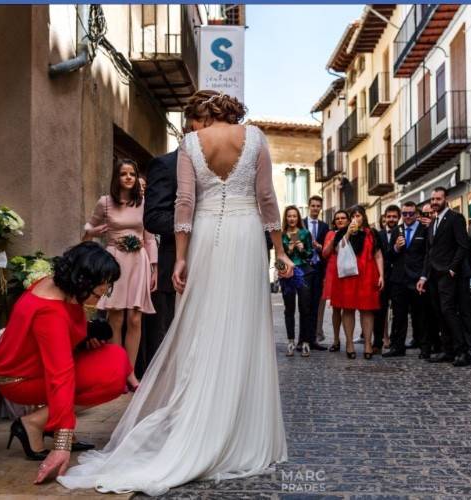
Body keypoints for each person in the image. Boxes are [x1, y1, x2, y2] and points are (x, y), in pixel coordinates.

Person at [58, 91, 293, 494]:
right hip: (245, 236)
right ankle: (241, 431)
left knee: (202, 326)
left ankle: (199, 418)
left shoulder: (190, 144)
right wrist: (281, 250)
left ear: (202, 114)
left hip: (202, 238)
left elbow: (184, 205)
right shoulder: (254, 138)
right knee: (245, 329)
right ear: (233, 110)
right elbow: (266, 198)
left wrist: (181, 260)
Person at [0, 242, 129, 480]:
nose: (105, 291)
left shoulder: (55, 285)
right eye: (102, 288)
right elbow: (60, 375)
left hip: (32, 368)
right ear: (83, 281)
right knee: (113, 376)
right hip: (21, 380)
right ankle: (34, 423)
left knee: (116, 358)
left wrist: (85, 339)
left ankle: (42, 422)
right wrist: (62, 443)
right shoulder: (50, 312)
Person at [83, 159, 157, 391]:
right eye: (123, 174)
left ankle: (131, 374)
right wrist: (95, 232)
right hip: (114, 263)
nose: (128, 177)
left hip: (138, 262)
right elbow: (86, 231)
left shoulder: (143, 202)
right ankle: (117, 373)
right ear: (116, 177)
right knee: (115, 318)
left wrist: (154, 267)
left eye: (132, 174)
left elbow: (149, 238)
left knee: (135, 318)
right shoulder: (105, 202)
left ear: (136, 178)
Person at [416, 187, 471, 367]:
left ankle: (462, 351)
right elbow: (429, 252)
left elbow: (463, 246)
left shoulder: (456, 218)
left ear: (445, 199)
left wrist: (452, 269)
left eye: (438, 199)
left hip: (448, 274)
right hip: (433, 275)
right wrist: (423, 277)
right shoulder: (433, 223)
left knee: (449, 311)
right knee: (440, 312)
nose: (434, 202)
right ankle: (447, 350)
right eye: (432, 199)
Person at [331, 206, 384, 360]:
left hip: (368, 275)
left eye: (358, 215)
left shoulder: (372, 233)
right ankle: (349, 343)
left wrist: (381, 275)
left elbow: (378, 255)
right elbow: (337, 250)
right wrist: (348, 232)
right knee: (348, 309)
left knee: (367, 310)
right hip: (348, 276)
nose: (356, 218)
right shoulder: (342, 232)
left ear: (363, 217)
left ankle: (368, 344)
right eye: (353, 215)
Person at [143, 145, 179, 369]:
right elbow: (154, 218)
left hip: (214, 266)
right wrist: (195, 223)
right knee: (173, 338)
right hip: (175, 263)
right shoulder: (166, 165)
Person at [384, 202, 429, 358]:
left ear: (416, 213)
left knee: (420, 315)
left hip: (417, 279)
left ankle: (424, 348)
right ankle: (397, 347)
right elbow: (389, 255)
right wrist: (396, 247)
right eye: (405, 214)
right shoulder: (397, 230)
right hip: (399, 280)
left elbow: (427, 256)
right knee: (399, 315)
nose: (408, 217)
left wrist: (424, 276)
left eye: (411, 213)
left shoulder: (424, 229)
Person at [281, 205, 315, 357]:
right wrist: (288, 250)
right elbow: (279, 256)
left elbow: (310, 255)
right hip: (287, 273)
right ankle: (290, 342)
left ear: (298, 218)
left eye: (294, 216)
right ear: (286, 218)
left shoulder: (305, 233)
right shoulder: (281, 235)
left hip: (304, 272)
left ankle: (306, 342)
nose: (292, 219)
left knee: (305, 308)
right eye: (289, 216)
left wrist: (302, 249)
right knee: (289, 309)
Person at [322, 210, 350, 352]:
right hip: (334, 272)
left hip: (349, 273)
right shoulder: (330, 234)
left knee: (349, 308)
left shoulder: (353, 232)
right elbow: (325, 254)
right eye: (337, 218)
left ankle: (349, 341)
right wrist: (335, 238)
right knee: (336, 309)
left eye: (343, 218)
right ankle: (336, 340)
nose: (340, 220)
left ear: (348, 220)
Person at [304, 195, 330, 349]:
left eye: (318, 206)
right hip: (304, 268)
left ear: (320, 208)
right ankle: (303, 338)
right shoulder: (301, 223)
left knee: (315, 305)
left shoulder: (325, 227)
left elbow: (327, 249)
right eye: (313, 205)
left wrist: (320, 248)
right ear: (309, 206)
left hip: (319, 269)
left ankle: (313, 339)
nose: (315, 208)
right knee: (304, 305)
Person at [373, 205, 400, 353]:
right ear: (384, 218)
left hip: (398, 278)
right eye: (389, 217)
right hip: (382, 278)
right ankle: (377, 342)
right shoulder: (379, 234)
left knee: (398, 312)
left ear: (398, 217)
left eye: (394, 217)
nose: (391, 219)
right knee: (380, 311)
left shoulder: (403, 232)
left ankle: (395, 342)